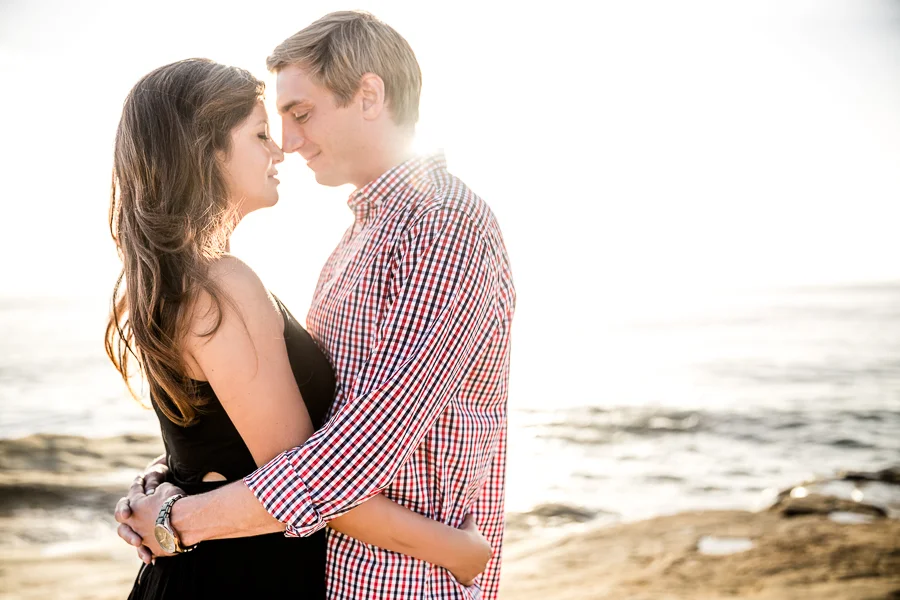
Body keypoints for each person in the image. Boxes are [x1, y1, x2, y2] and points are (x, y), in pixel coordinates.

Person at [116, 10, 516, 599]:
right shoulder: (355, 239)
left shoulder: (440, 227)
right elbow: (264, 426)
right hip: (330, 573)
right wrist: (172, 484)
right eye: (268, 129)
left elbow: (357, 446)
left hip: (401, 583)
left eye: (300, 114)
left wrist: (176, 515)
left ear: (370, 95)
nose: (287, 142)